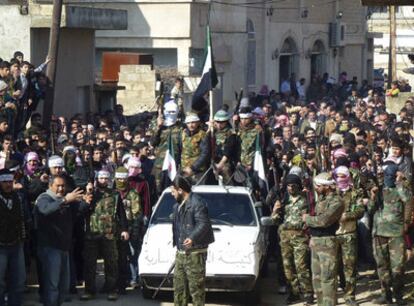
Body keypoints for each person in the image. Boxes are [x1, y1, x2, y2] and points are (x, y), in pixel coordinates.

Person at [35, 175, 88, 306]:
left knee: (63, 286)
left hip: (64, 248)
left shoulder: (66, 201)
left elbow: (76, 214)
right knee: (52, 286)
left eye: (63, 186)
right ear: (50, 186)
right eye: (57, 186)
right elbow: (45, 210)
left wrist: (85, 202)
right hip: (50, 248)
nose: (60, 189)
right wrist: (65, 200)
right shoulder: (44, 198)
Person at [368, 162, 412, 305]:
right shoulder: (377, 189)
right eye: (382, 174)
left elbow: (409, 202)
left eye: (388, 174)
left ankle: (398, 295)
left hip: (396, 233)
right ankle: (385, 294)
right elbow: (369, 209)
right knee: (382, 265)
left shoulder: (400, 189)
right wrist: (373, 196)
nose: (384, 177)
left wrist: (405, 224)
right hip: (379, 233)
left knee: (398, 266)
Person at [81, 170, 129, 301]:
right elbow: (81, 210)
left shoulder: (115, 195)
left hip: (109, 234)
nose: (103, 180)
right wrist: (88, 194)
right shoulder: (90, 193)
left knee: (111, 262)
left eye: (106, 178)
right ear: (97, 179)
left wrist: (124, 229)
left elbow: (121, 213)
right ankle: (89, 290)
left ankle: (111, 289)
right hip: (92, 234)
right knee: (90, 263)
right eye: (101, 178)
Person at [171, 175, 214, 306]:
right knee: (179, 289)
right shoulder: (177, 206)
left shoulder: (197, 203)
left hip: (195, 254)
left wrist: (192, 237)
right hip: (181, 253)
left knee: (196, 291)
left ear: (180, 190)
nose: (172, 194)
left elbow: (203, 223)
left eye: (173, 191)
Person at [271, 174, 313, 305]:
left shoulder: (305, 199)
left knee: (301, 266)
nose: (290, 188)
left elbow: (312, 215)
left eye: (293, 185)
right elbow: (276, 221)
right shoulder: (284, 201)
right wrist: (275, 211)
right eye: (288, 186)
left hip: (300, 236)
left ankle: (308, 293)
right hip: (285, 237)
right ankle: (294, 292)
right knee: (288, 268)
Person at [303, 172, 344, 306]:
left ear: (326, 186)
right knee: (317, 278)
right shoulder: (322, 198)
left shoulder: (337, 201)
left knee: (327, 279)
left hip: (327, 242)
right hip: (316, 241)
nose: (316, 188)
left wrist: (307, 219)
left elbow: (324, 221)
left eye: (318, 185)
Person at [0, 168, 26, 306]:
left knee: (18, 281)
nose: (8, 184)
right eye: (4, 182)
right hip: (1, 246)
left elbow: (22, 219)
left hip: (16, 243)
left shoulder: (17, 197)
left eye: (10, 181)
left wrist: (22, 238)